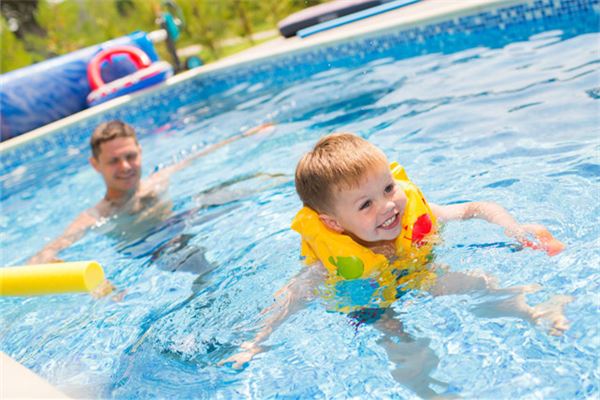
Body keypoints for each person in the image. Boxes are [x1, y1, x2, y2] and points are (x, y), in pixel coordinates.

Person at [221, 133, 571, 395]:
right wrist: (258, 339)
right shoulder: (330, 263)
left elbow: (475, 208)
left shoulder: (411, 215)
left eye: (388, 188)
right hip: (372, 301)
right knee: (402, 347)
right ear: (333, 224)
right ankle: (428, 392)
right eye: (365, 205)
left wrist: (513, 227)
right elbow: (292, 297)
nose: (387, 206)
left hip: (420, 276)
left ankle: (533, 310)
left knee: (479, 282)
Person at [28, 119, 274, 265]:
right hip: (151, 249)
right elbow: (49, 250)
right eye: (114, 161)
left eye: (130, 156)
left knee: (228, 191)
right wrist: (49, 258)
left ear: (140, 152)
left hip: (181, 223)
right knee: (194, 259)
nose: (125, 167)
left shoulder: (156, 182)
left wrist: (247, 135)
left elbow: (198, 156)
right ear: (96, 165)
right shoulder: (96, 216)